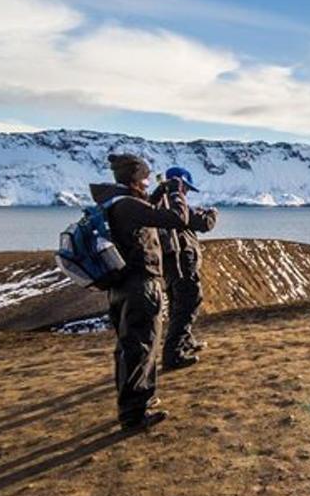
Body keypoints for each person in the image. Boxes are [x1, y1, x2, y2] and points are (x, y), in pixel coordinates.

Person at [90, 153, 190, 430]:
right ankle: (134, 414)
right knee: (141, 346)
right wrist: (177, 193)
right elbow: (177, 219)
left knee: (129, 346)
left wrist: (158, 193)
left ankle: (136, 400)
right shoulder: (128, 206)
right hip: (140, 285)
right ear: (135, 178)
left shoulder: (115, 203)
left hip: (121, 285)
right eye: (145, 178)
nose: (147, 183)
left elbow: (146, 211)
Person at [151, 166, 218, 370]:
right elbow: (203, 224)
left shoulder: (159, 203)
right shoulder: (175, 205)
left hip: (171, 264)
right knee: (189, 302)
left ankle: (185, 342)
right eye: (185, 187)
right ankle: (174, 354)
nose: (186, 192)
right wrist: (212, 213)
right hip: (181, 262)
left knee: (177, 304)